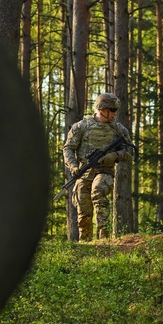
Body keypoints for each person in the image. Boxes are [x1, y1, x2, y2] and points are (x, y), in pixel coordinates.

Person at [62, 93, 134, 241]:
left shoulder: (118, 130)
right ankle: (86, 245)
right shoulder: (82, 126)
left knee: (98, 190)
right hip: (84, 171)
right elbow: (68, 148)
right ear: (101, 109)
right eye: (112, 110)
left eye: (116, 110)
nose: (115, 113)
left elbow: (130, 150)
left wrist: (113, 156)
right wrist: (74, 166)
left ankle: (104, 240)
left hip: (105, 171)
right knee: (83, 209)